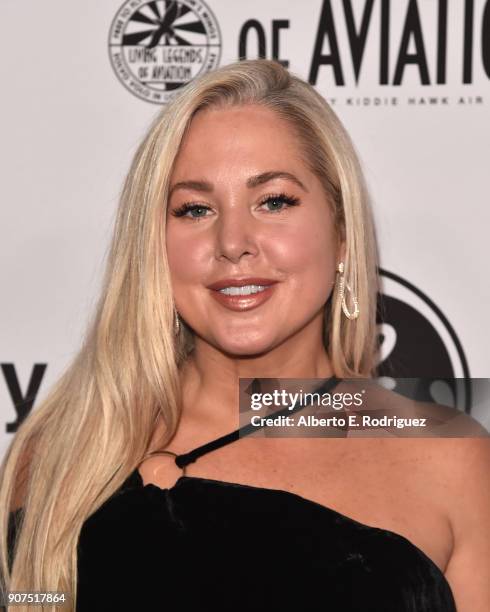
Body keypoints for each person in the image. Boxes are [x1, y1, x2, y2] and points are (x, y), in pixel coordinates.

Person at [1, 59, 489, 611]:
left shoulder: (451, 458)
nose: (233, 241)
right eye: (195, 208)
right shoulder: (61, 453)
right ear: (153, 246)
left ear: (343, 233)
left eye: (274, 201)